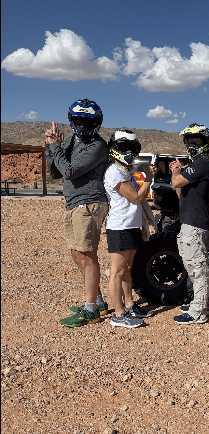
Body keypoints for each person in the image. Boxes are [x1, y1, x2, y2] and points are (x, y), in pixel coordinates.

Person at [45, 99, 110, 328]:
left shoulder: (98, 146)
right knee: (76, 253)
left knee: (87, 254)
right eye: (79, 120)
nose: (83, 125)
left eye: (87, 121)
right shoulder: (72, 141)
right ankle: (98, 301)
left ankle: (90, 309)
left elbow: (70, 171)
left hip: (89, 203)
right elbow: (56, 172)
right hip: (74, 203)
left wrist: (56, 148)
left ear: (96, 123)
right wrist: (50, 146)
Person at [103, 130, 153, 328]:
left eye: (132, 148)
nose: (129, 152)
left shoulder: (125, 170)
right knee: (117, 271)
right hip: (120, 227)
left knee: (127, 269)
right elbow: (136, 198)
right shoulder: (114, 172)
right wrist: (148, 179)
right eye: (125, 147)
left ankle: (129, 304)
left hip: (130, 225)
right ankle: (118, 313)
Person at [169, 123, 209, 325]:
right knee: (192, 264)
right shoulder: (194, 165)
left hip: (196, 223)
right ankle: (199, 303)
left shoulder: (203, 163)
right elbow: (180, 192)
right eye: (188, 141)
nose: (191, 144)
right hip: (189, 221)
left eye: (195, 140)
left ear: (205, 142)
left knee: (198, 267)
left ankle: (199, 311)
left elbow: (176, 183)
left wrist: (176, 171)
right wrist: (178, 172)